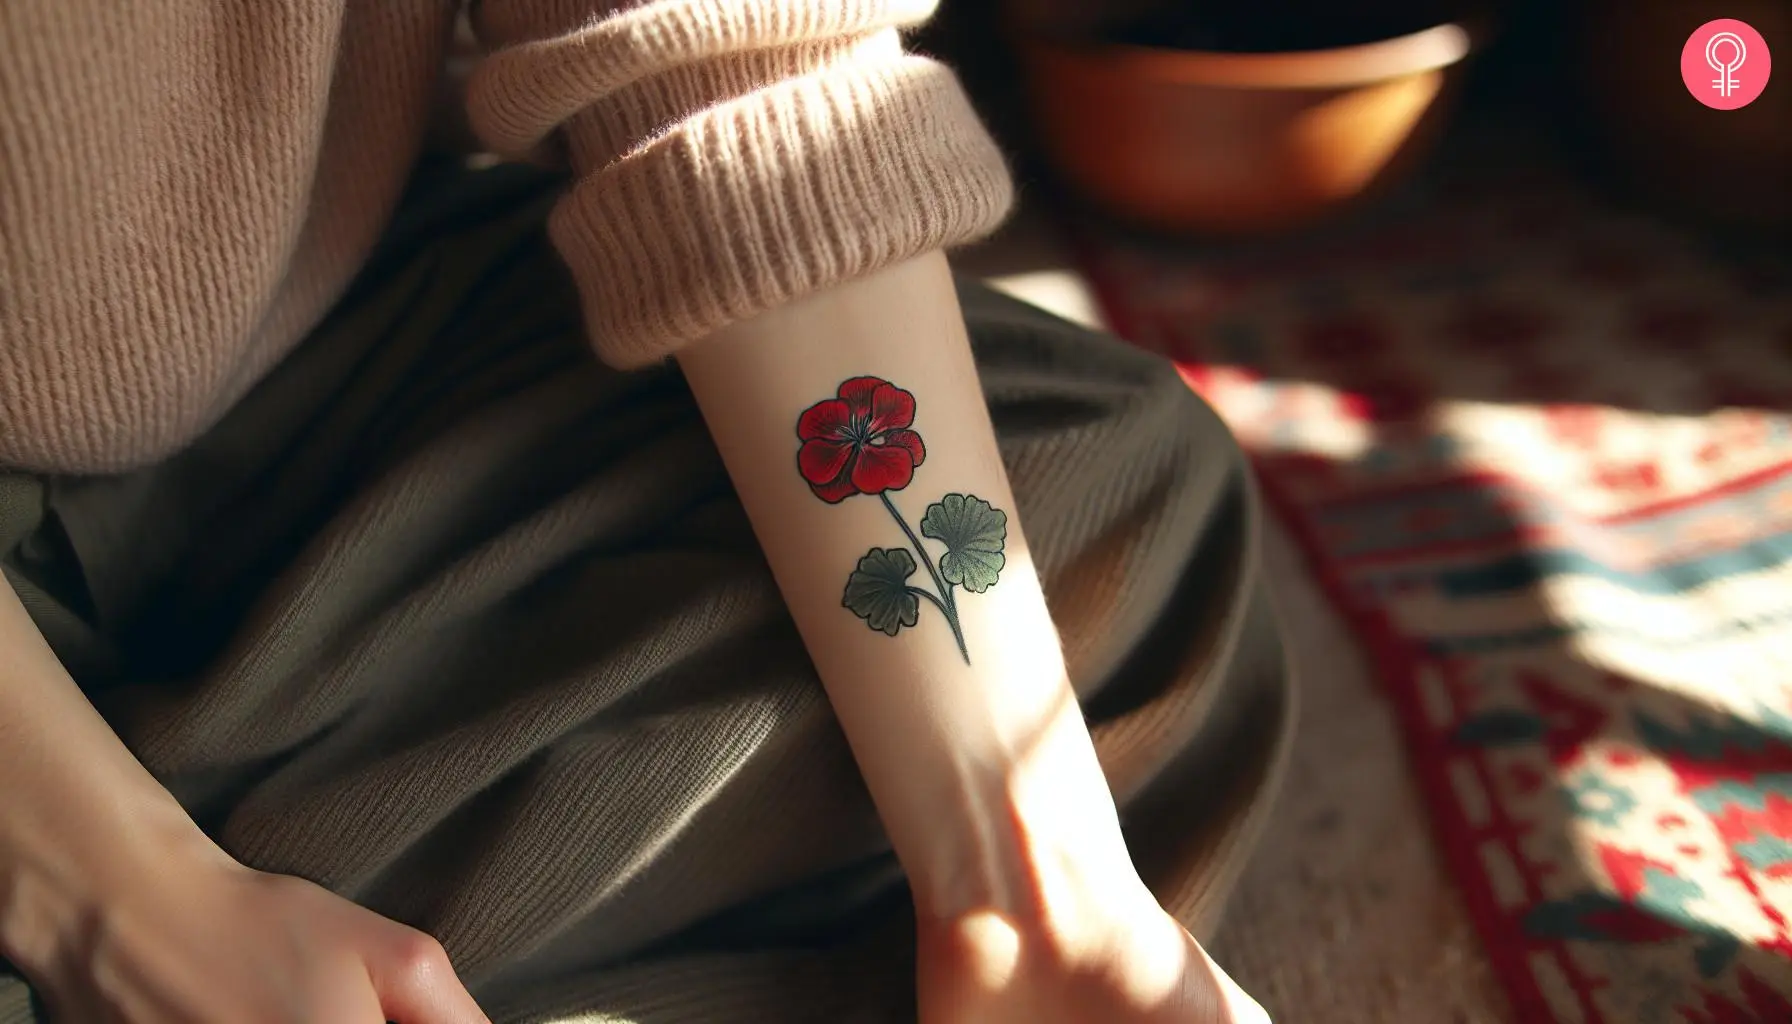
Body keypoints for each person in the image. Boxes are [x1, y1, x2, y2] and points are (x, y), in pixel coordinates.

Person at [0, 2, 1290, 1021]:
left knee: (1120, 514)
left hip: (332, 328)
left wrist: (1031, 890)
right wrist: (116, 899)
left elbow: (737, 66)